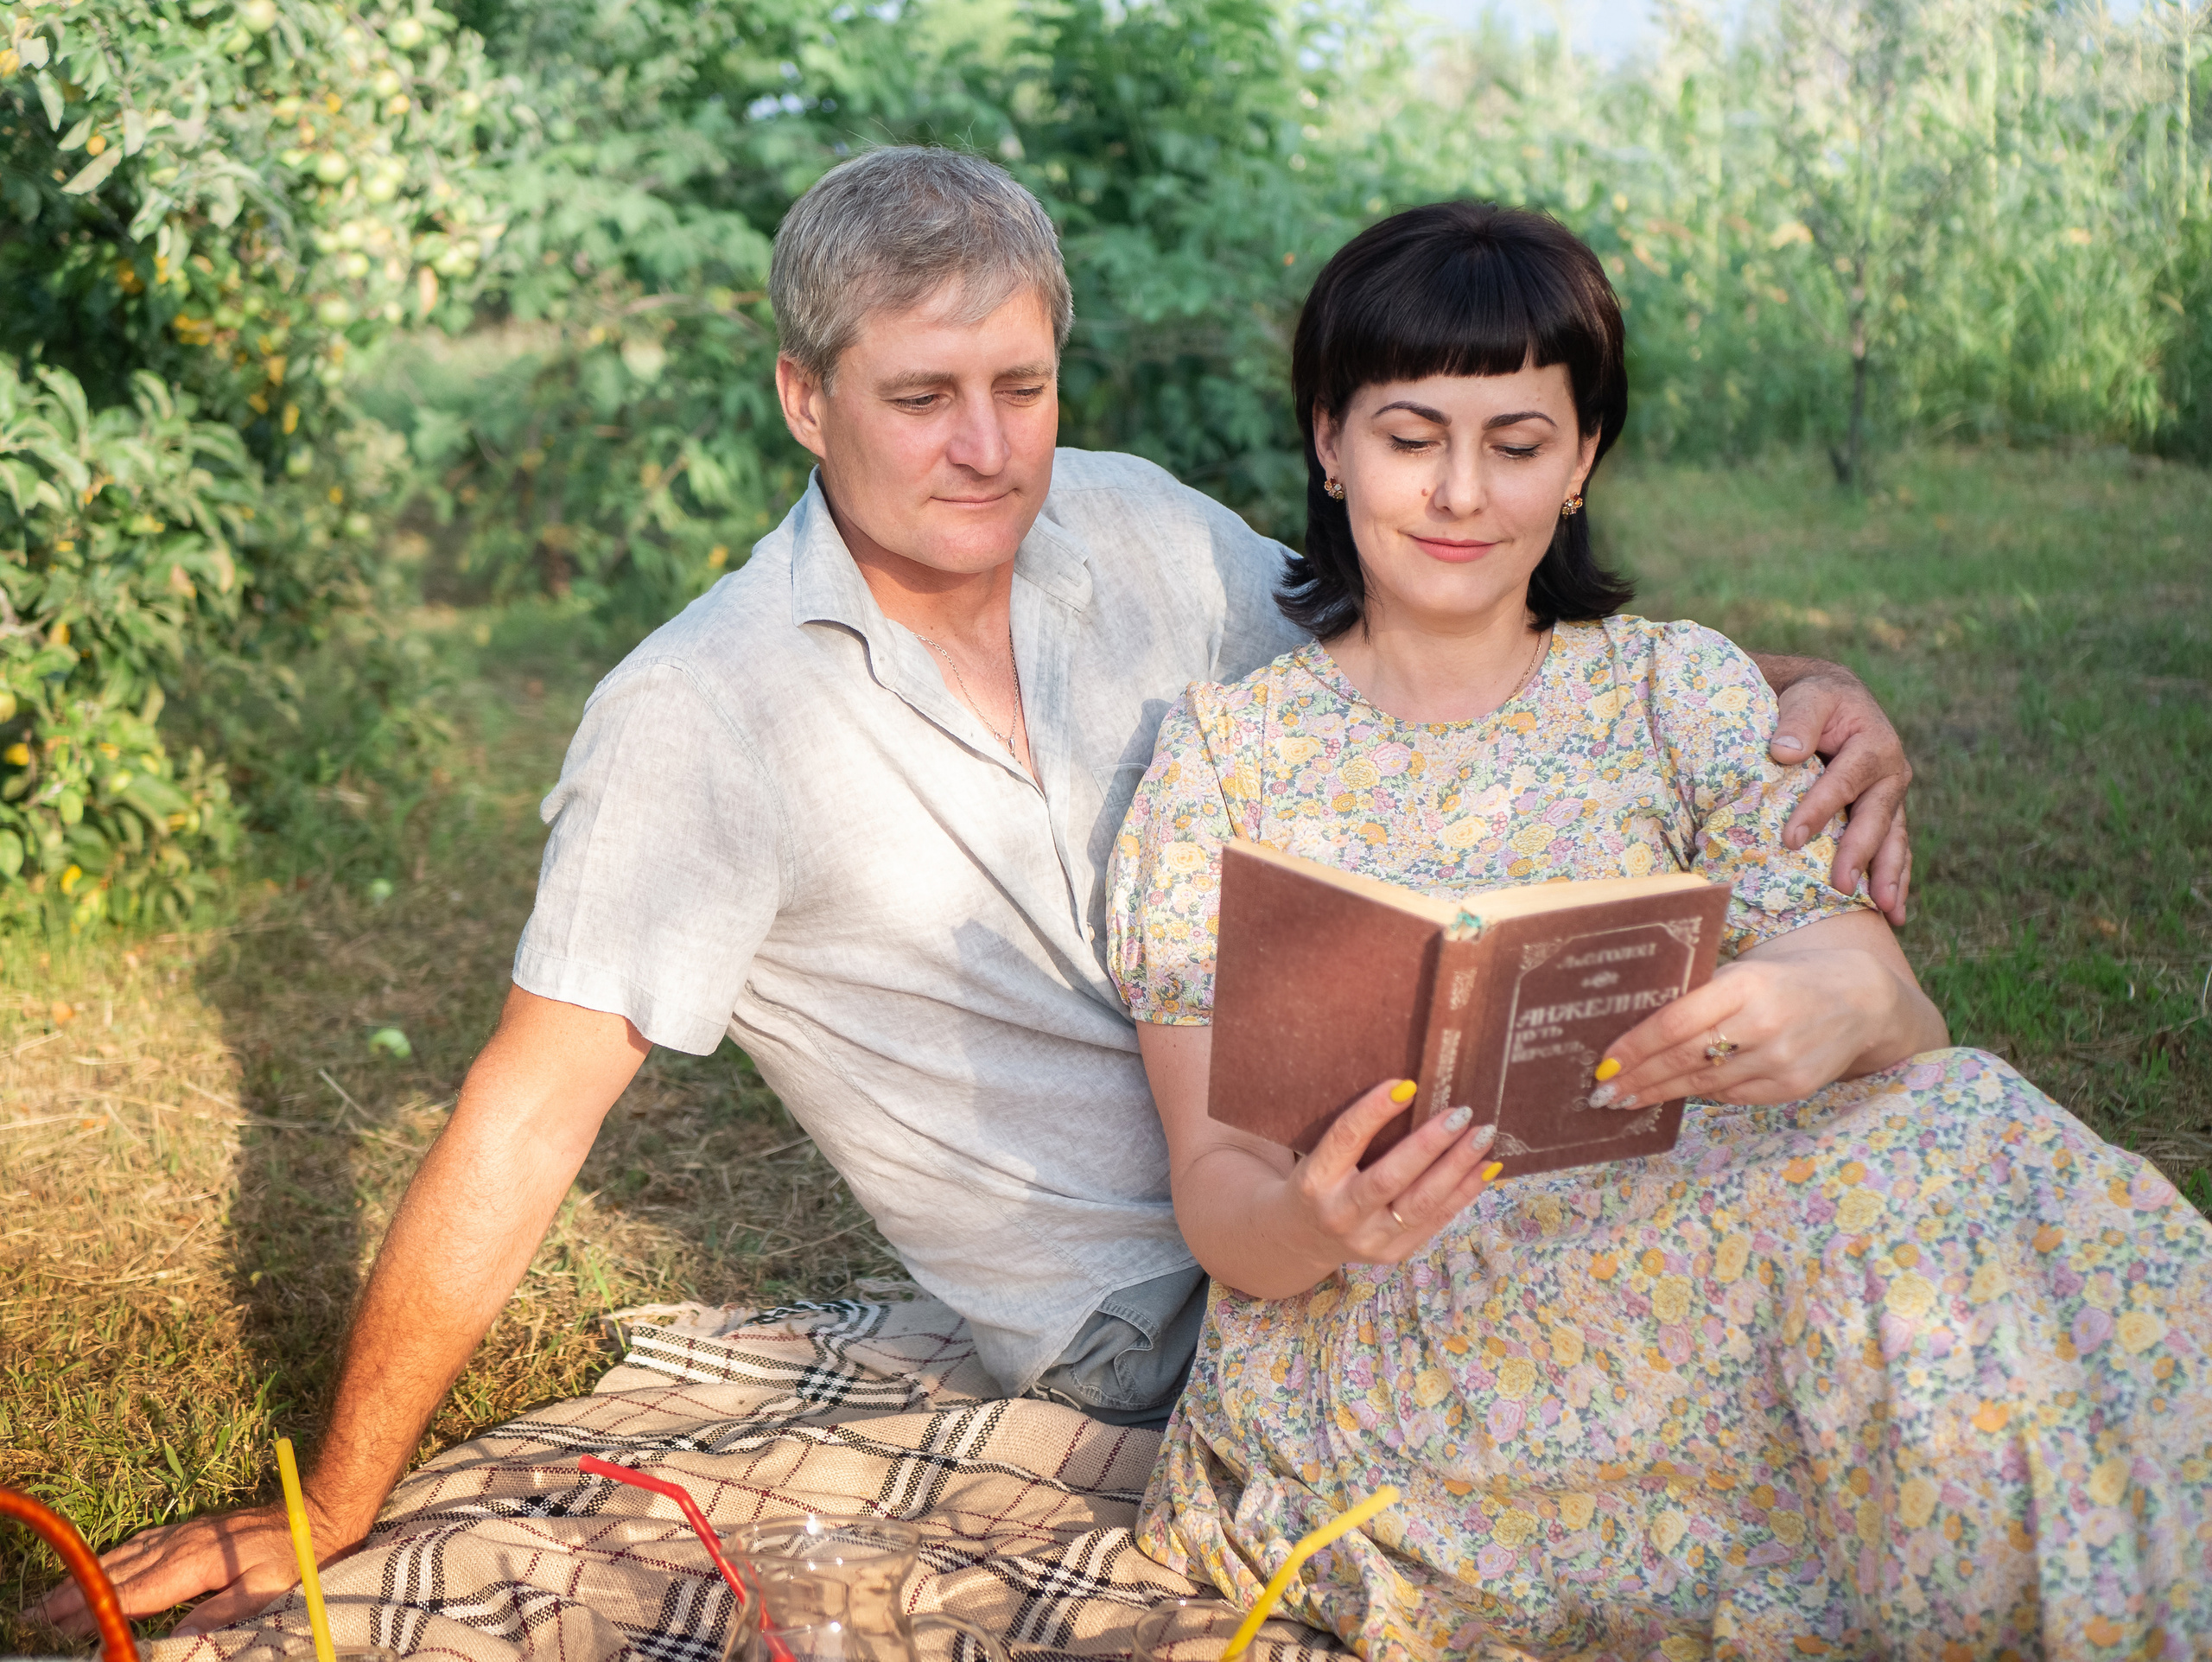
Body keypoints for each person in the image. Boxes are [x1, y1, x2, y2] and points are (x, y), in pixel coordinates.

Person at [37, 150, 1915, 1640]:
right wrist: (339, 1499)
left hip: (1393, 1171)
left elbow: (1445, 607)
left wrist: (1782, 700)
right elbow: (524, 1118)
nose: (984, 446)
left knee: (1847, 1225)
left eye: (1016, 385)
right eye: (920, 395)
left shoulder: (1126, 522)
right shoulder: (695, 716)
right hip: (1150, 1315)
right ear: (802, 396)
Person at [1106, 200, 2212, 1659]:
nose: (1457, 491)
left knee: (1958, 1131)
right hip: (1390, 1332)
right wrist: (1319, 1217)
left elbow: (1899, 1023)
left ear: (1581, 465)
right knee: (1936, 1217)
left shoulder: (1673, 691)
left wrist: (1833, 992)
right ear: (1329, 442)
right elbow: (1218, 1194)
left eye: (1516, 443)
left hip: (1696, 1246)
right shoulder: (1227, 761)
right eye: (1409, 435)